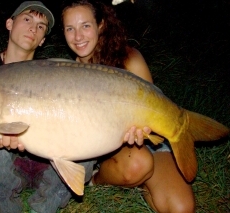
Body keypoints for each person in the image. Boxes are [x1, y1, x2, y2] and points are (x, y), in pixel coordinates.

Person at [60, 0, 196, 212]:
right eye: (70, 28)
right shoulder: (65, 74)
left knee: (181, 208)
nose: (78, 37)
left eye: (85, 26)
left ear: (101, 25)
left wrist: (145, 130)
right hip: (112, 151)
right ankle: (97, 180)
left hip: (149, 142)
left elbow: (152, 109)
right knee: (137, 164)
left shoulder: (129, 58)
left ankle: (141, 181)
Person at [0, 2, 95, 213]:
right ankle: (8, 207)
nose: (33, 28)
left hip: (47, 163)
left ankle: (43, 207)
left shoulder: (50, 73)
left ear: (43, 40)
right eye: (27, 19)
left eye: (41, 26)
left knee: (86, 151)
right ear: (9, 23)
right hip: (7, 164)